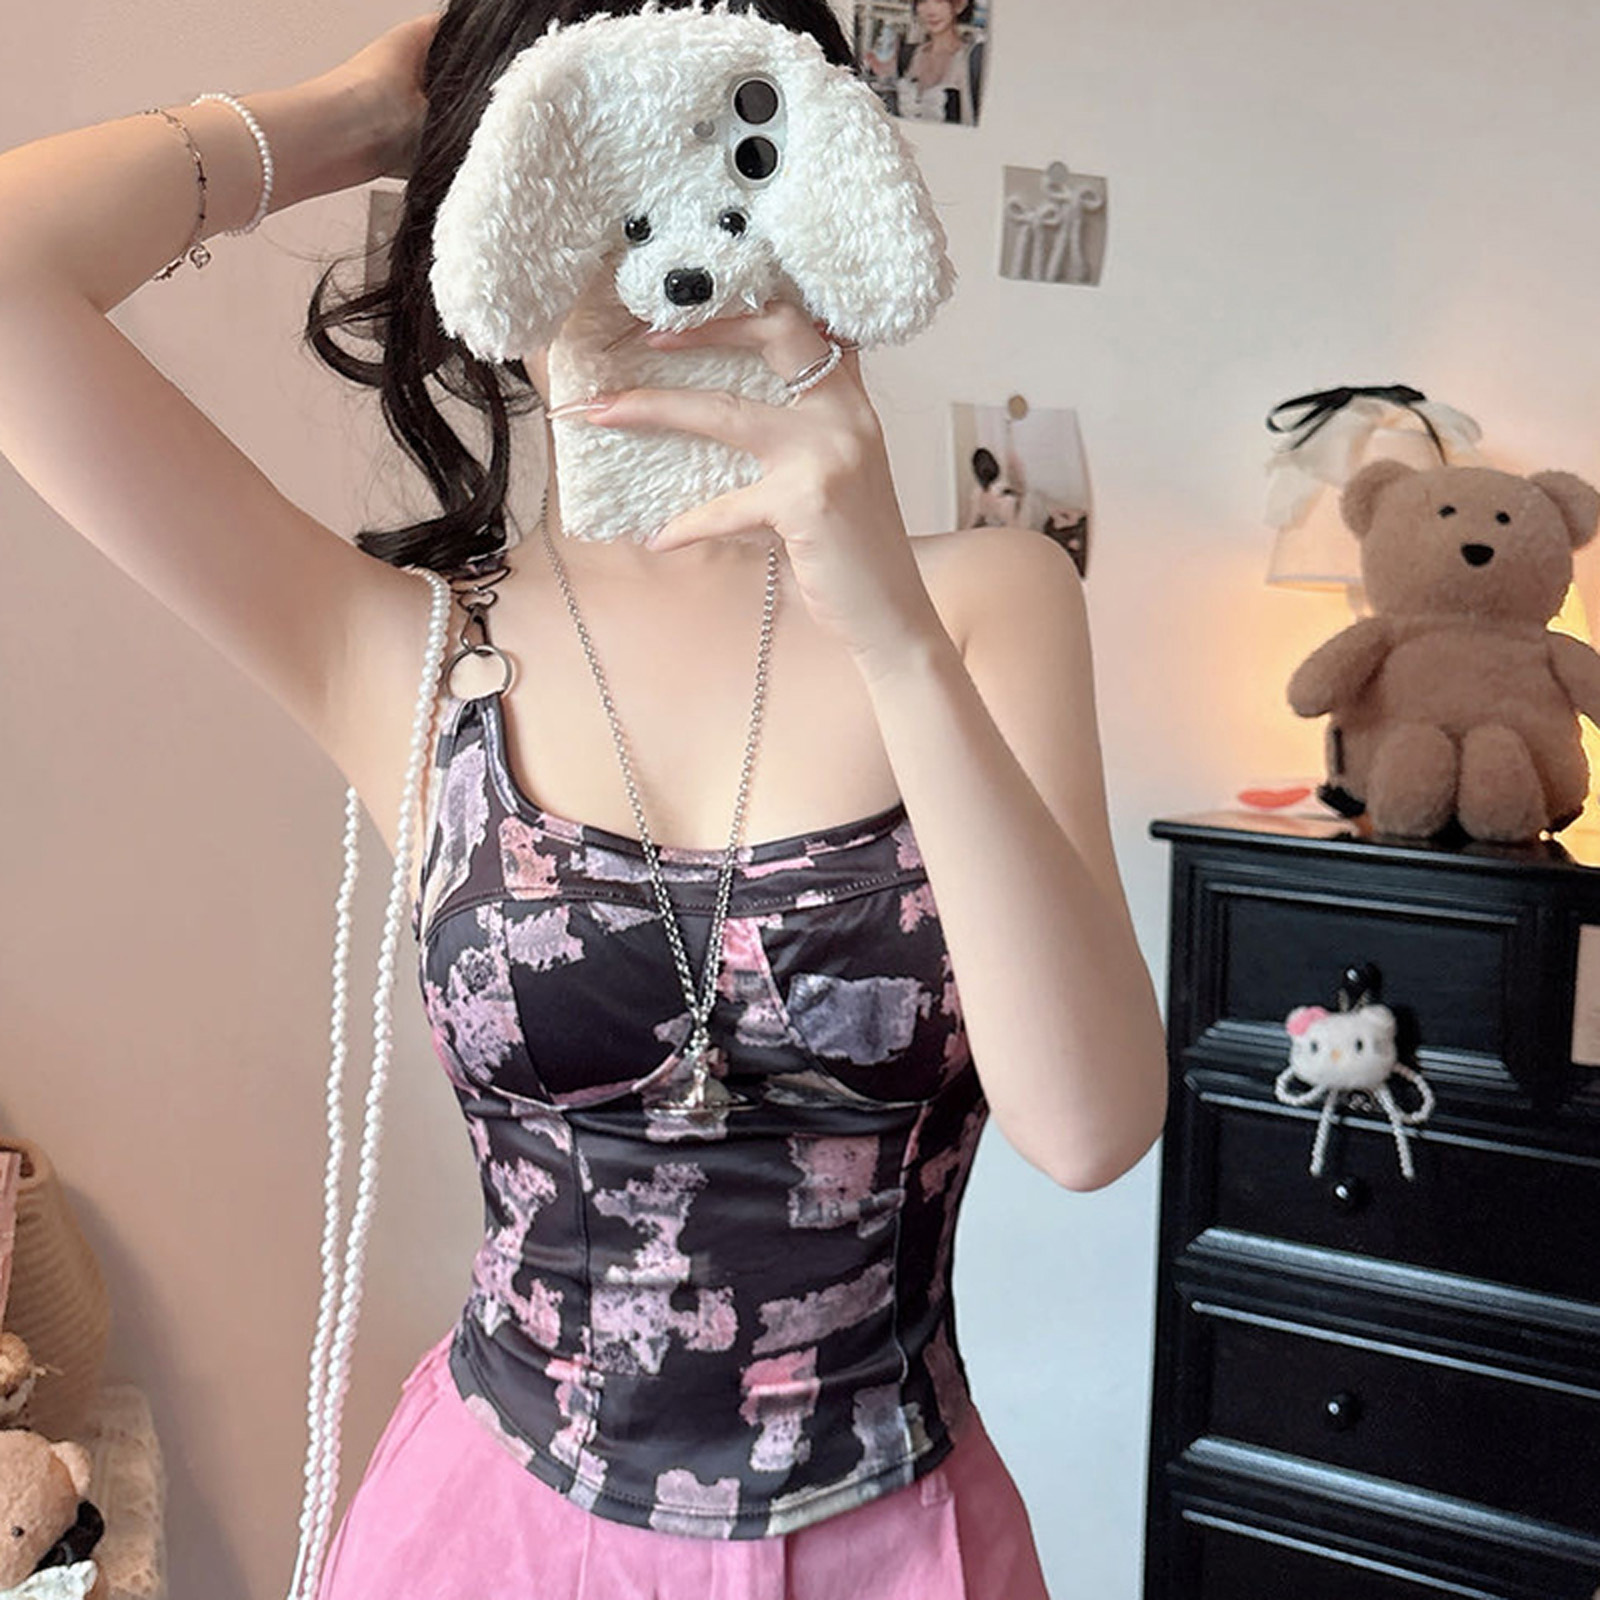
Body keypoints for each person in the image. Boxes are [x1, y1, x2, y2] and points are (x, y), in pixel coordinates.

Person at [0, 1, 1168, 1595]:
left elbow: (1091, 1127)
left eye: (728, 159)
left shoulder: (985, 603)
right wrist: (365, 119)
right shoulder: (401, 654)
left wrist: (885, 619)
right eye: (588, 171)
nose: (658, 262)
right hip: (493, 1531)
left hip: (892, 1540)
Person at [895, 0, 985, 126]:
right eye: (922, 1)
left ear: (959, 5)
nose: (931, 11)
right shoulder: (909, 55)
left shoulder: (973, 60)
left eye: (940, 1)